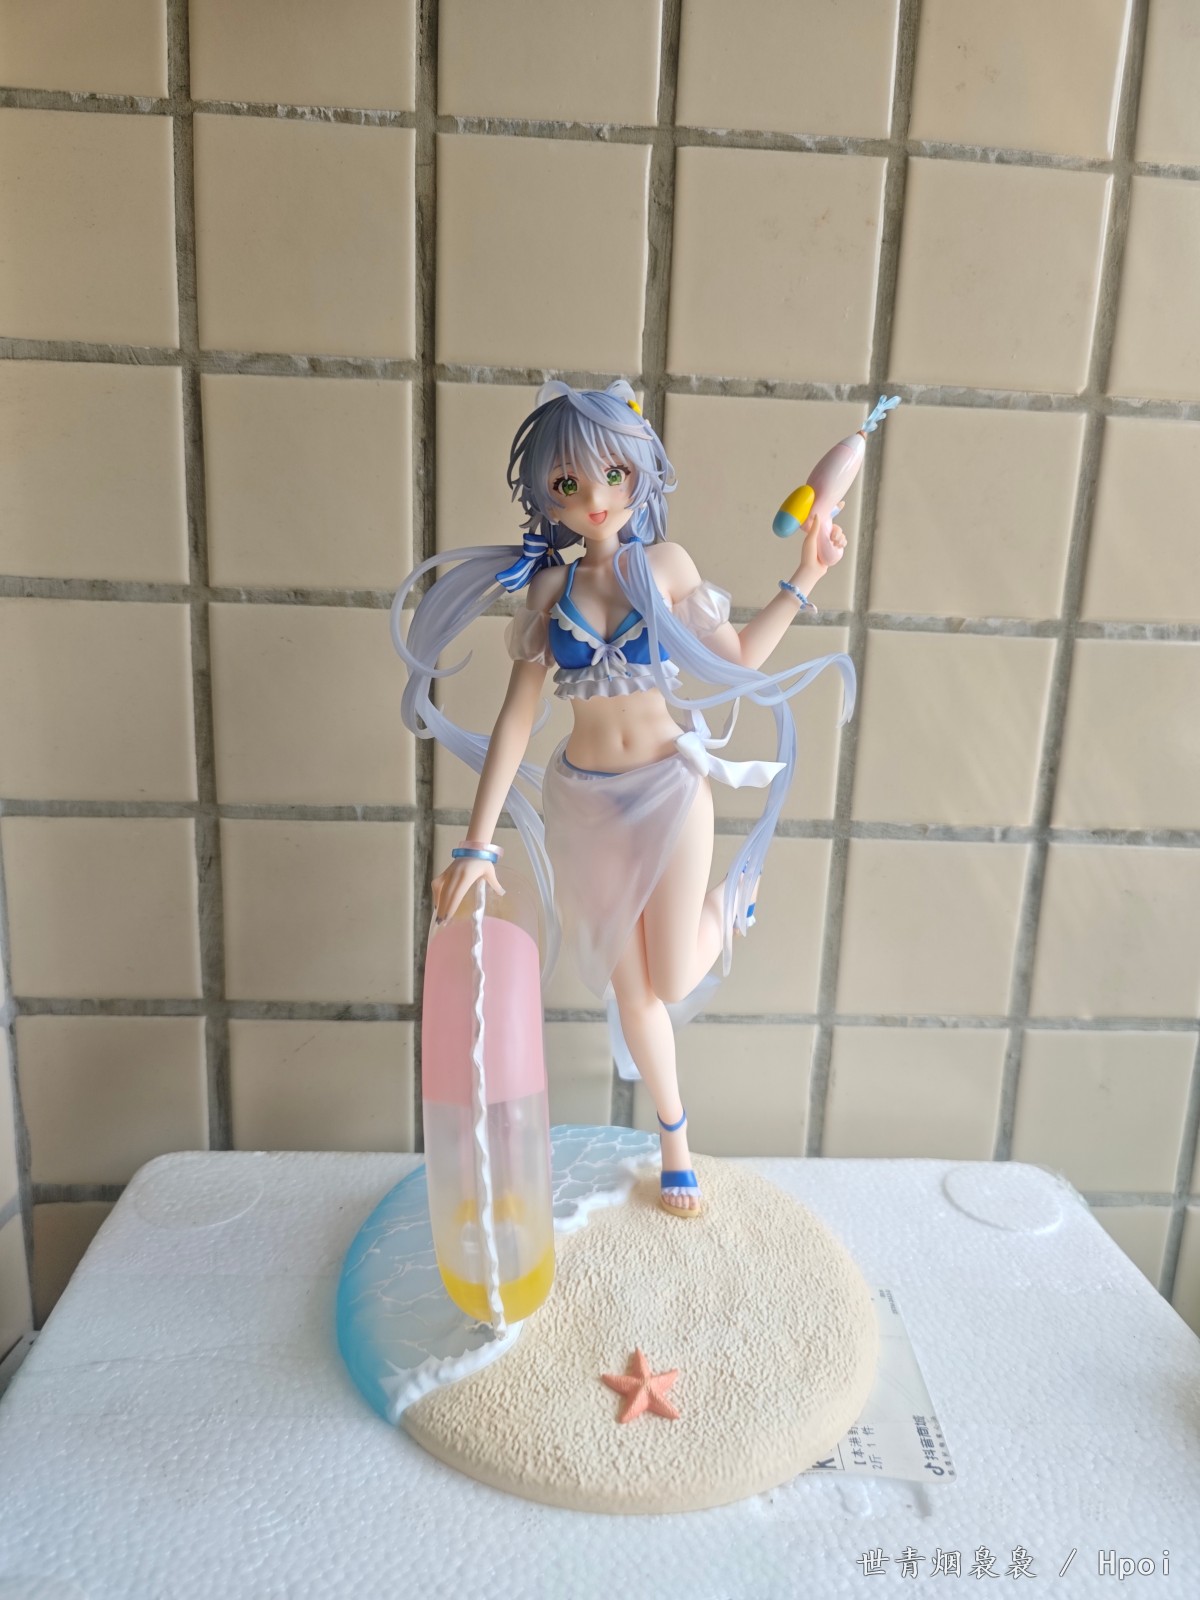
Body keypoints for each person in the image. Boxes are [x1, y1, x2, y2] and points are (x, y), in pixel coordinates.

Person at [390, 378, 855, 1217]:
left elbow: (738, 660)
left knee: (670, 977)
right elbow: (516, 720)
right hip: (585, 805)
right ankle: (676, 1146)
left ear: (641, 471)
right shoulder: (548, 593)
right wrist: (477, 844)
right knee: (630, 989)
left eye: (612, 475)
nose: (594, 499)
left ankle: (727, 903)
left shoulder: (665, 567)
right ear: (546, 495)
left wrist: (805, 574)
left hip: (669, 790)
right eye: (568, 484)